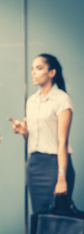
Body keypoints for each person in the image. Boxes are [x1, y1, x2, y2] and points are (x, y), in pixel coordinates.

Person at [8, 53, 75, 214]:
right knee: (39, 217)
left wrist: (61, 177)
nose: (33, 72)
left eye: (39, 68)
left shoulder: (62, 99)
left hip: (55, 164)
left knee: (57, 218)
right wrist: (24, 132)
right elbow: (34, 138)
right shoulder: (31, 100)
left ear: (52, 73)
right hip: (35, 164)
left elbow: (62, 142)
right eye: (32, 69)